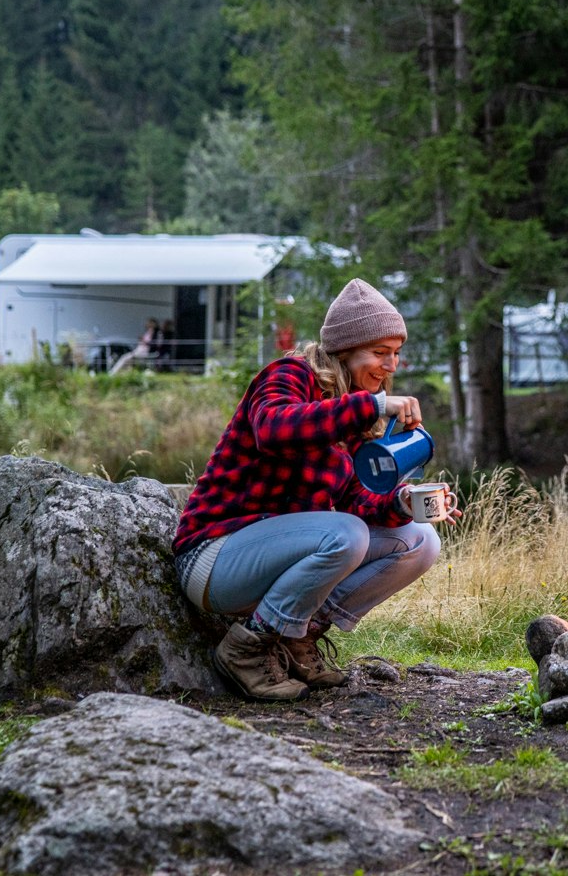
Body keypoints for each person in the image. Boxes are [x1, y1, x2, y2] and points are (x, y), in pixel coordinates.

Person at [171, 278, 455, 700]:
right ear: (345, 349)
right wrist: (373, 406)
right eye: (380, 353)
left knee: (420, 540)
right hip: (214, 558)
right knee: (346, 534)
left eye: (396, 353)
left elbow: (357, 500)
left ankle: (296, 636)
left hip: (273, 557)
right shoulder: (288, 376)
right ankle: (246, 650)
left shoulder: (353, 411)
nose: (392, 365)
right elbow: (274, 428)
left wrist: (404, 501)